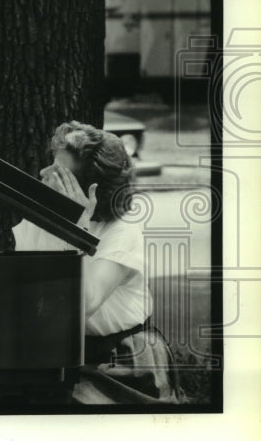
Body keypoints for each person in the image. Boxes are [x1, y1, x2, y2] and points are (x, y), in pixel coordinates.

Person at [12, 120, 185, 404]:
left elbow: (84, 304)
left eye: (59, 173)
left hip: (120, 360)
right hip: (57, 353)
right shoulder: (38, 222)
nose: (43, 173)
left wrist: (75, 232)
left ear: (91, 191)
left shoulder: (122, 231)